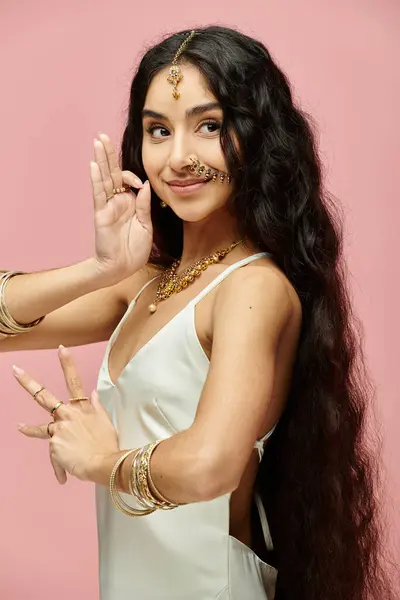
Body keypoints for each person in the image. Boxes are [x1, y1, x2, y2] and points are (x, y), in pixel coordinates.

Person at [0, 25, 395, 600]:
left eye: (209, 127)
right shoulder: (143, 287)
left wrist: (101, 460)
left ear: (258, 139)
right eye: (159, 130)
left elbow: (211, 463)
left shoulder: (252, 289)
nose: (179, 157)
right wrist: (101, 269)